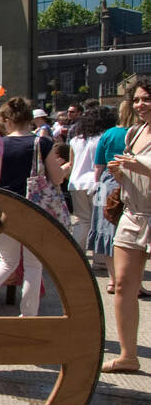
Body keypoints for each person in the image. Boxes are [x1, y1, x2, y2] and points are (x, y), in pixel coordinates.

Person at [0, 98, 64, 316]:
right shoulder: (42, 143)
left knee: (6, 262)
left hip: (4, 208)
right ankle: (28, 315)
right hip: (33, 210)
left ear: (7, 121)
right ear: (30, 120)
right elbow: (56, 178)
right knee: (33, 265)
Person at [103, 77, 151, 373]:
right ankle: (128, 355)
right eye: (136, 100)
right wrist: (119, 172)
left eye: (146, 99)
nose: (140, 105)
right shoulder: (134, 132)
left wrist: (139, 166)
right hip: (133, 215)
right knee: (122, 285)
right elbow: (131, 177)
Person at [92, 101, 136, 293]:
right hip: (132, 181)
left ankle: (112, 279)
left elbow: (98, 165)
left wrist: (98, 187)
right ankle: (134, 282)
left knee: (105, 227)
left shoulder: (109, 134)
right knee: (129, 232)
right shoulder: (138, 133)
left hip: (106, 182)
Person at [65, 106, 106, 259]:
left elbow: (71, 163)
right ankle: (100, 259)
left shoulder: (75, 140)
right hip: (99, 184)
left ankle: (74, 255)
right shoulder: (103, 137)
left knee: (82, 221)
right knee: (100, 221)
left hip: (76, 183)